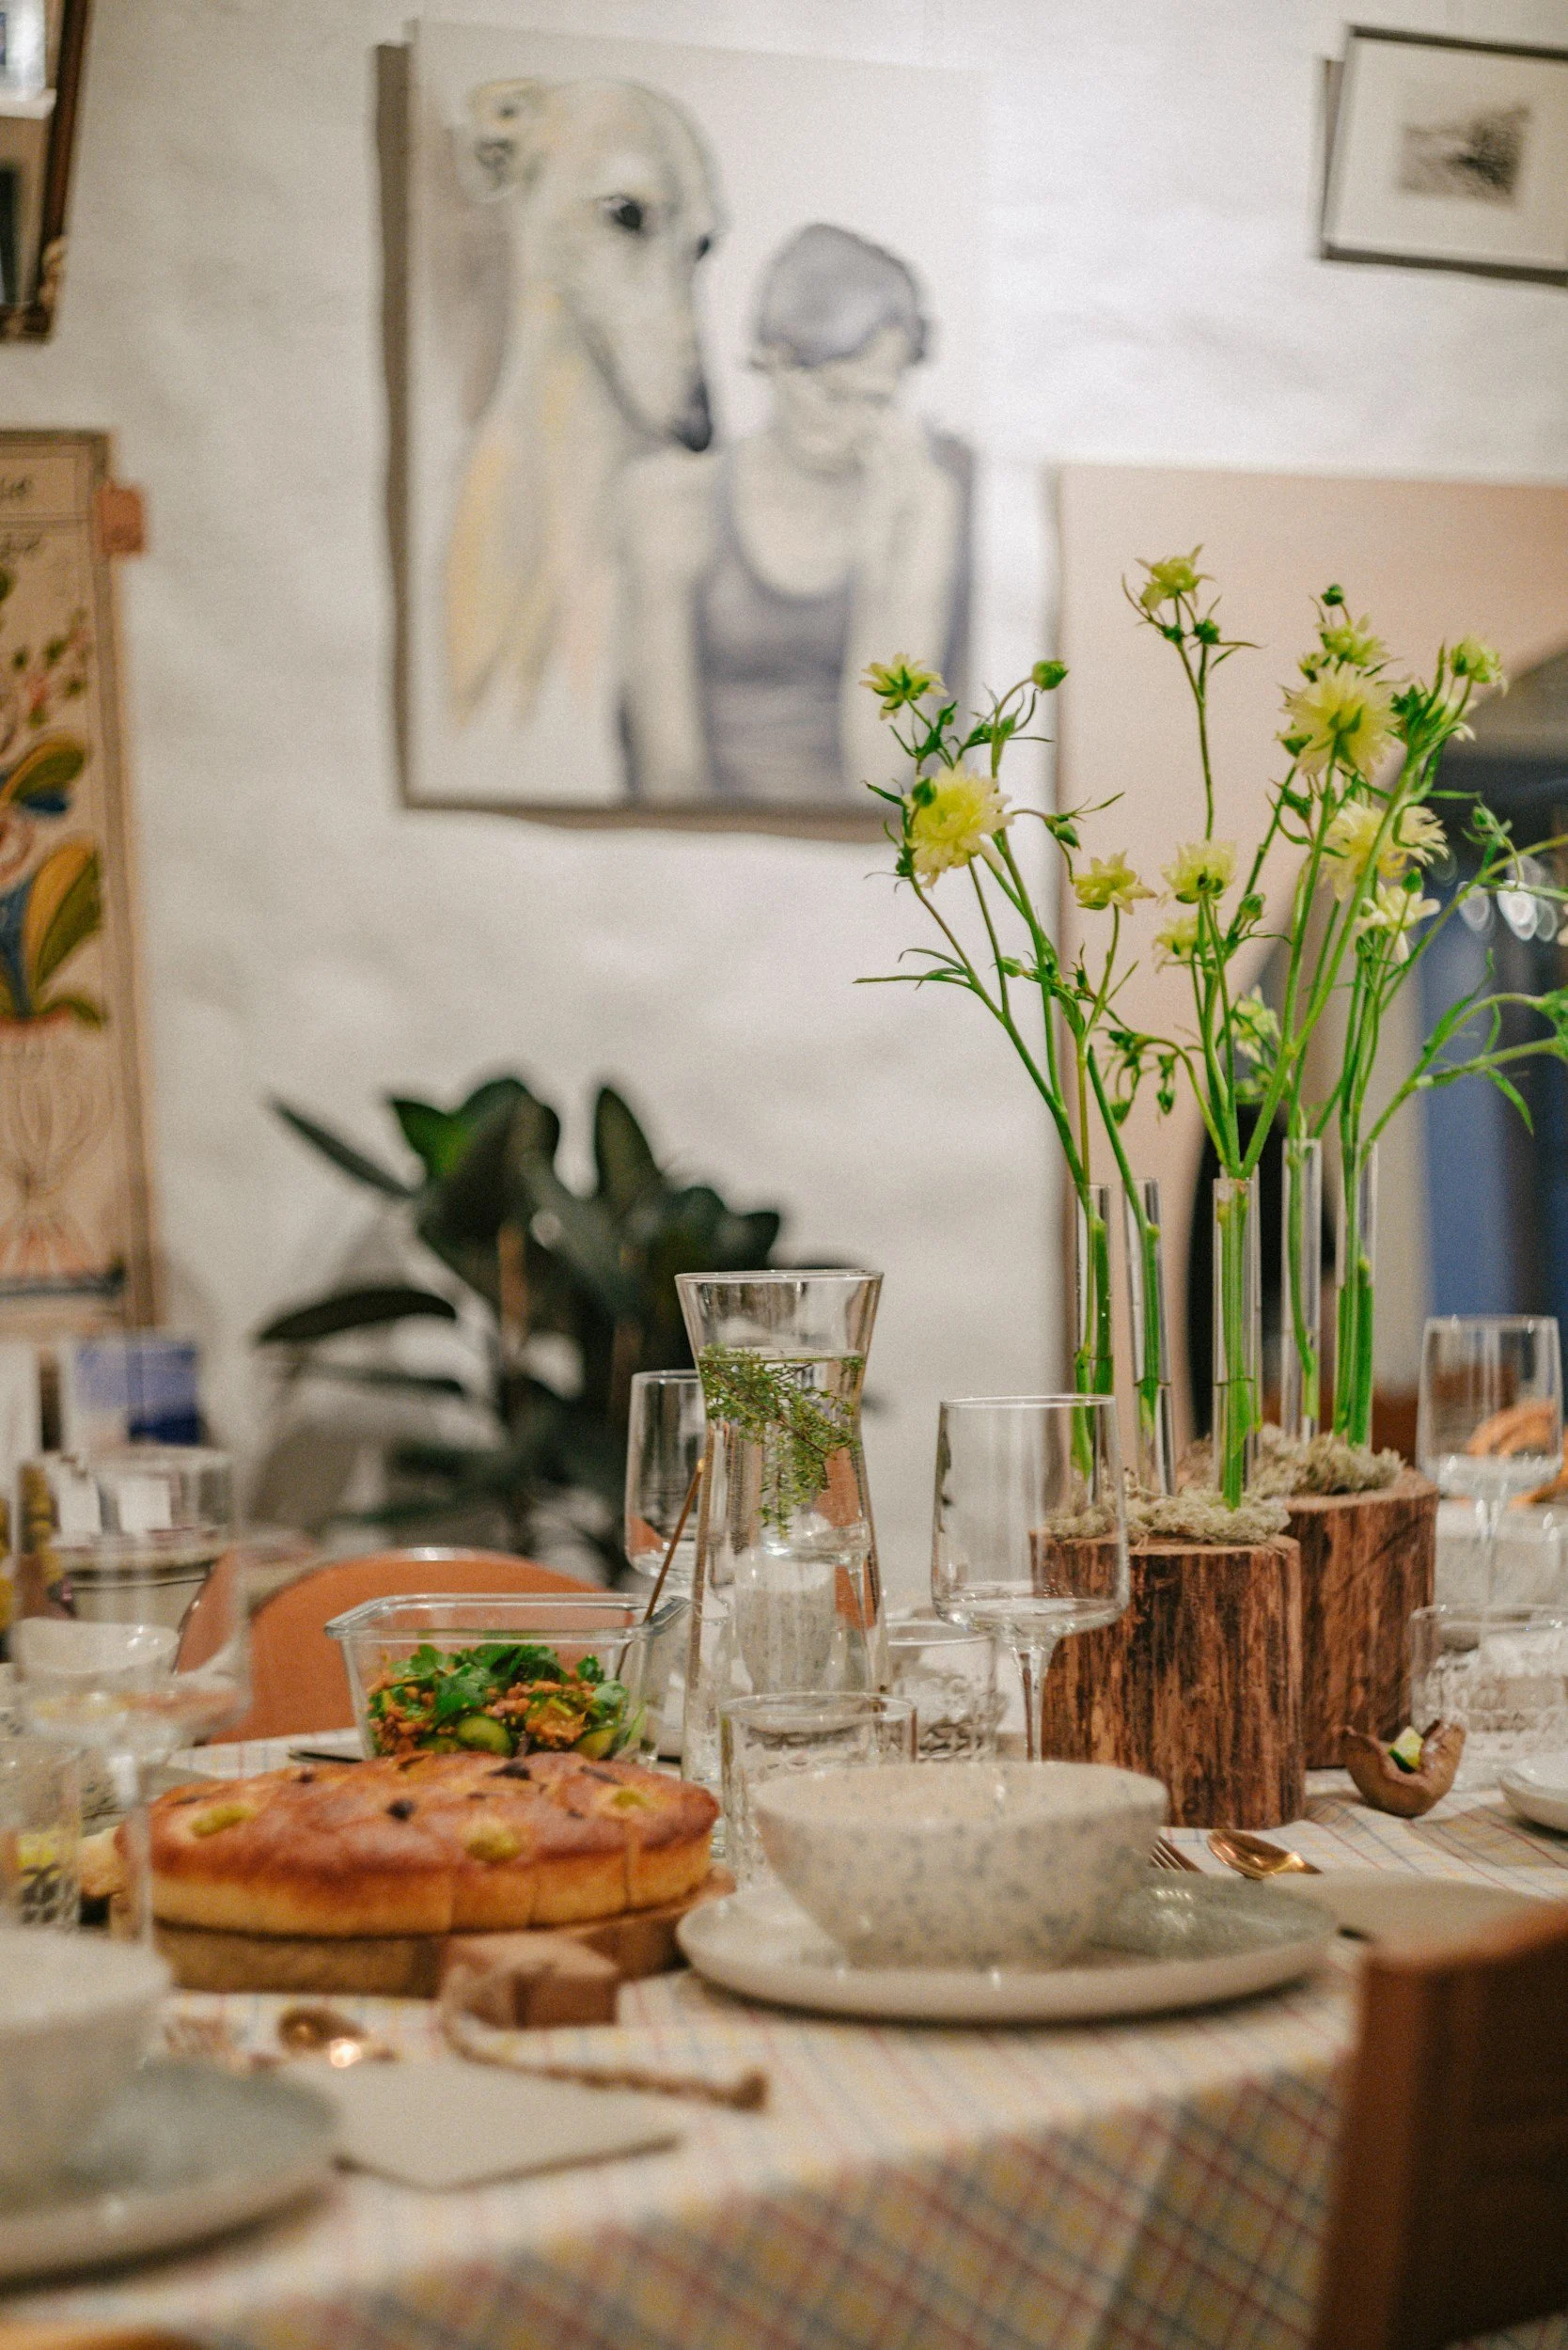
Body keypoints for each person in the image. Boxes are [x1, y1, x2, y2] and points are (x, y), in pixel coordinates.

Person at [619, 222, 967, 807]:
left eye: (878, 400)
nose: (856, 424)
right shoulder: (673, 497)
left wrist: (883, 553)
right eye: (834, 393)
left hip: (864, 841)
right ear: (775, 360)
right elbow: (666, 773)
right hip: (708, 839)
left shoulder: (919, 502)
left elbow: (883, 775)